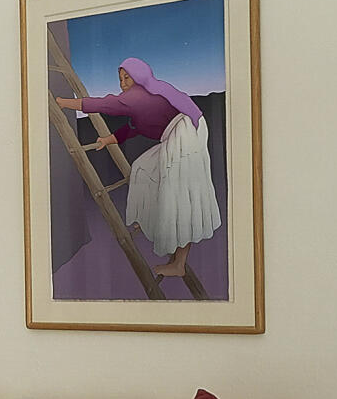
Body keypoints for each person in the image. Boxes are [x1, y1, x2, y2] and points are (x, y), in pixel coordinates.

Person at [57, 56, 223, 280]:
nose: (123, 83)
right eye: (120, 78)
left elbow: (104, 104)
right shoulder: (145, 97)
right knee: (144, 168)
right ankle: (149, 220)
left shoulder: (139, 95)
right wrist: (109, 139)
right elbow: (134, 127)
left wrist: (64, 103)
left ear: (139, 76)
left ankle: (179, 263)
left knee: (179, 195)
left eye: (127, 77)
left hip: (185, 136)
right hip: (180, 135)